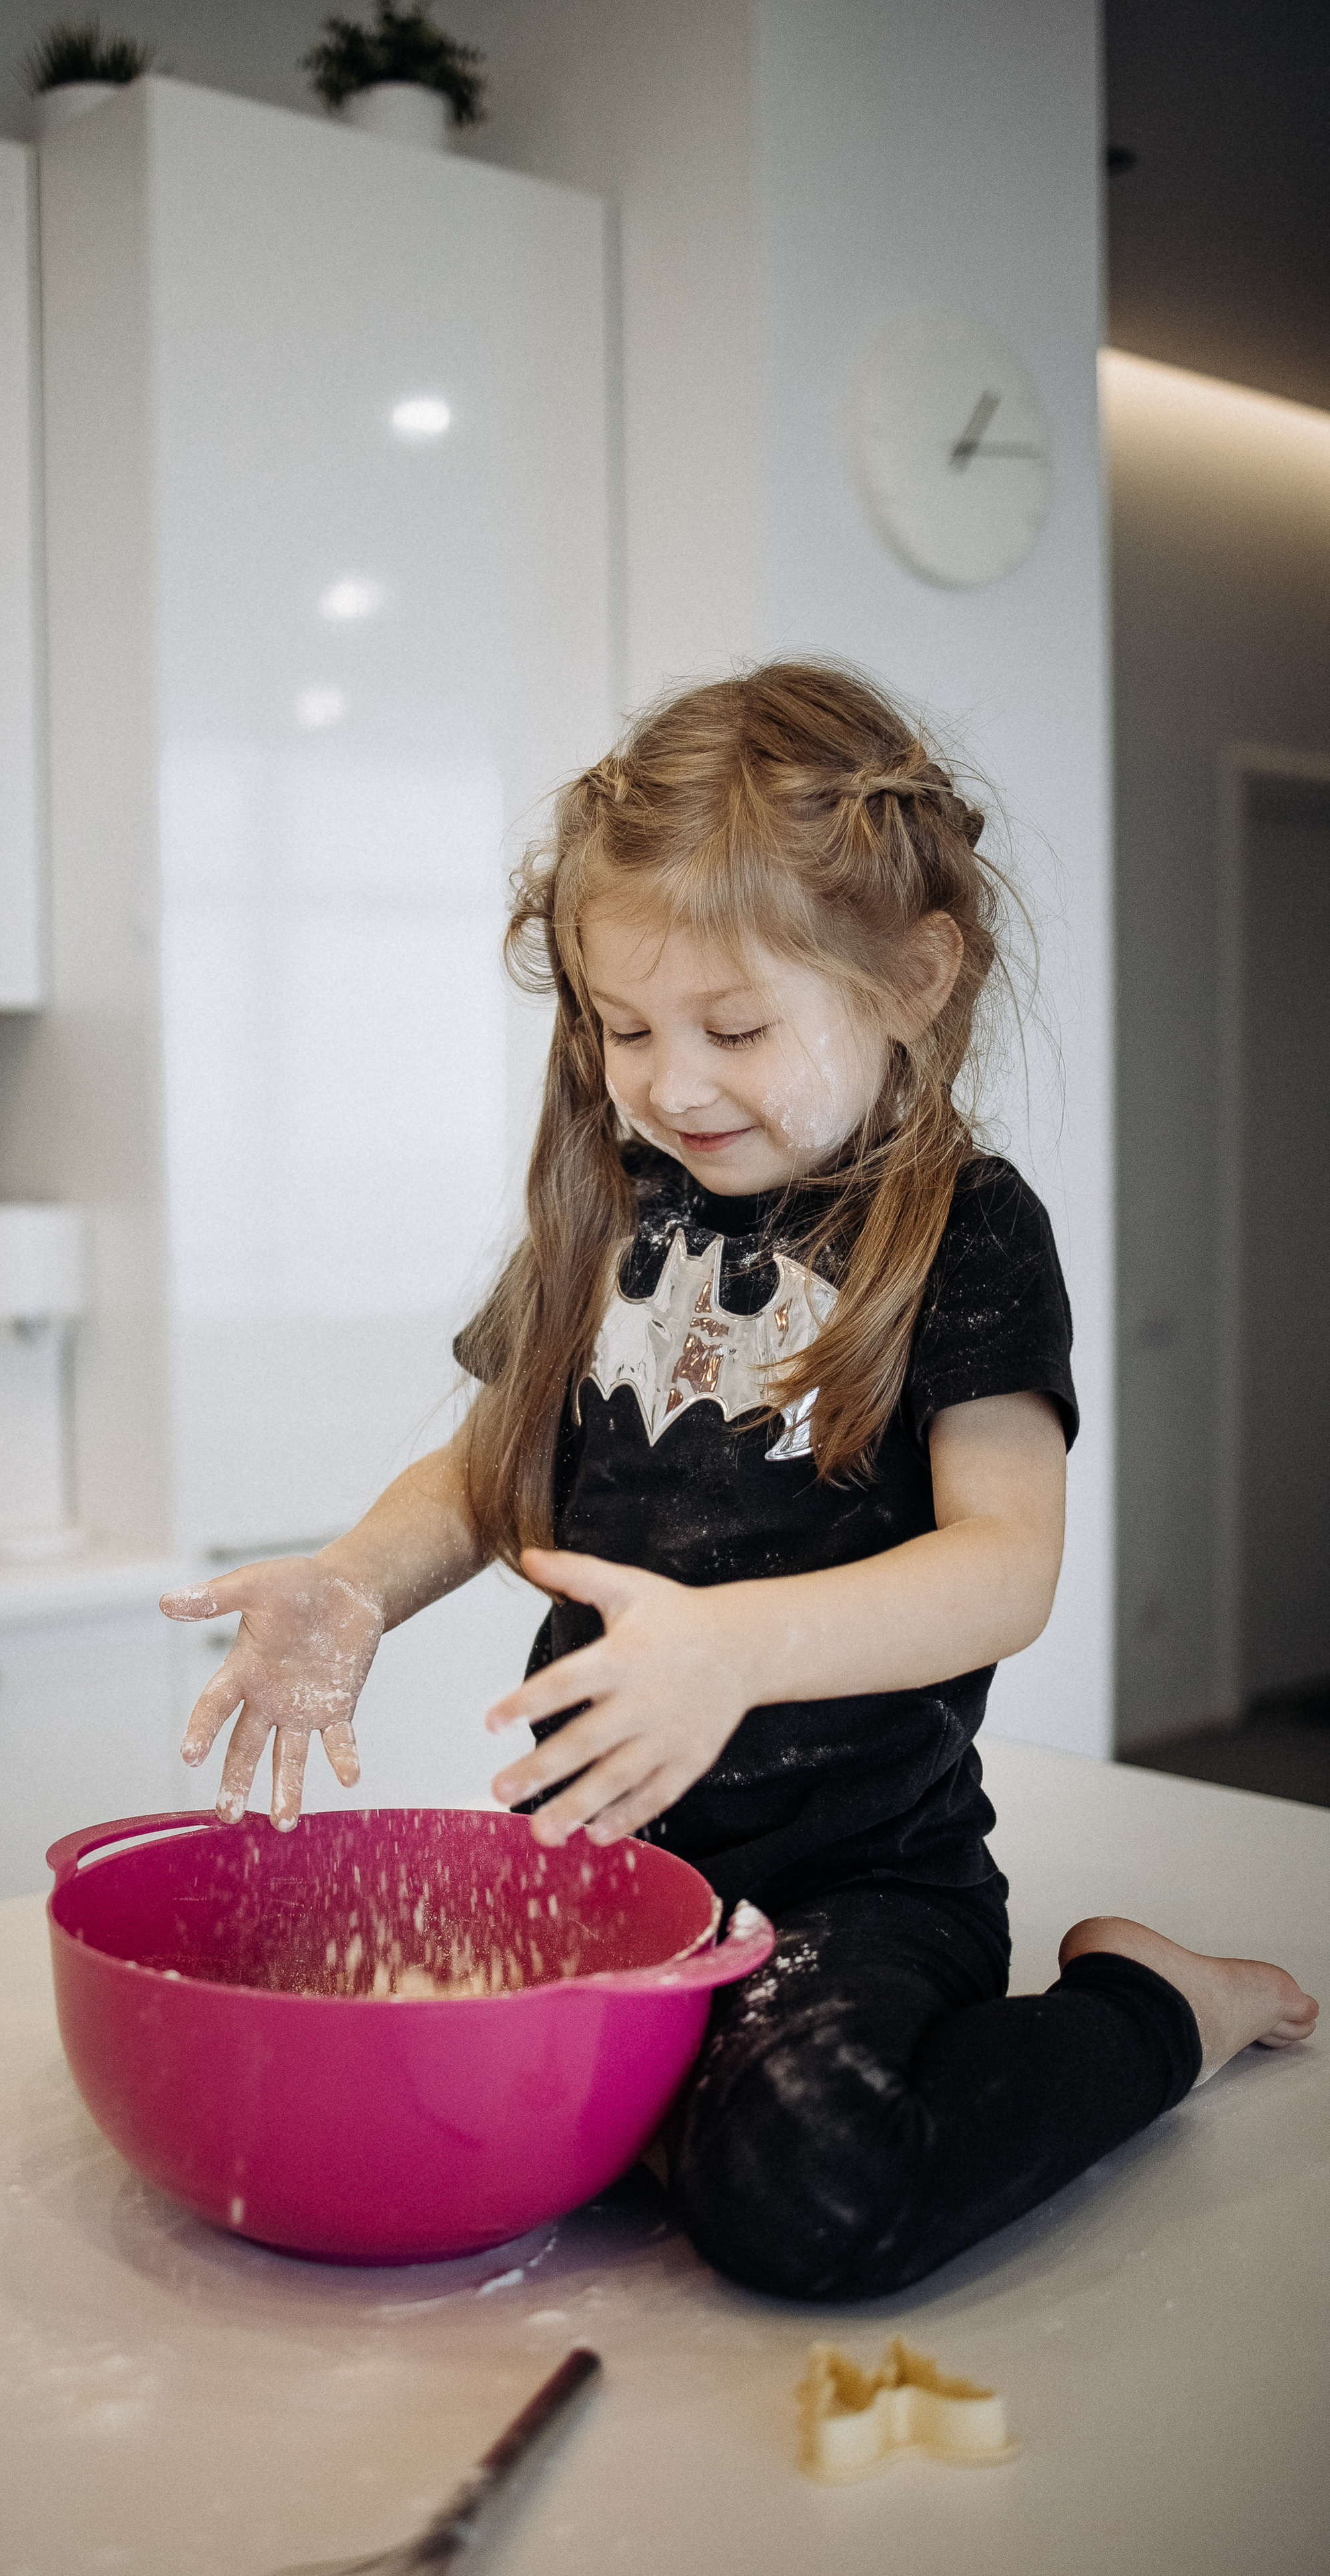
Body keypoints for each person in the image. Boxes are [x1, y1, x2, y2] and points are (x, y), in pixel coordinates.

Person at [161, 663, 1316, 2300]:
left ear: (912, 976)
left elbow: (1004, 1563)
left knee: (809, 2199)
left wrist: (732, 1647)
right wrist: (352, 1580)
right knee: (392, 2088)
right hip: (598, 1857)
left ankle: (1158, 2006)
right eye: (623, 1029)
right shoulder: (613, 1209)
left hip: (859, 1883)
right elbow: (493, 1466)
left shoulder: (965, 1232)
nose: (672, 1084)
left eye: (734, 1028)